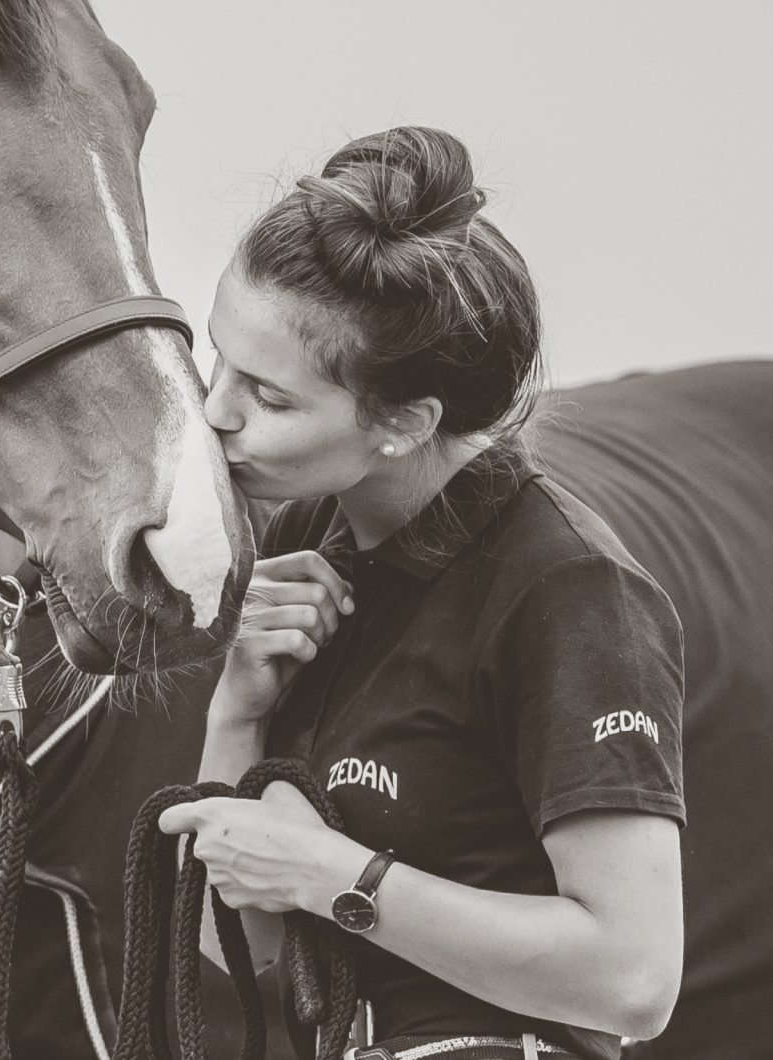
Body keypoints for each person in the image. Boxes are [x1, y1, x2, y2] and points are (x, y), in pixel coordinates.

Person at [155, 126, 688, 1060]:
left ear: (404, 423)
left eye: (270, 399)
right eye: (217, 359)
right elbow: (235, 940)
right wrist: (238, 712)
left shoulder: (567, 589)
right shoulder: (302, 531)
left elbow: (634, 981)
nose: (215, 412)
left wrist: (338, 877)